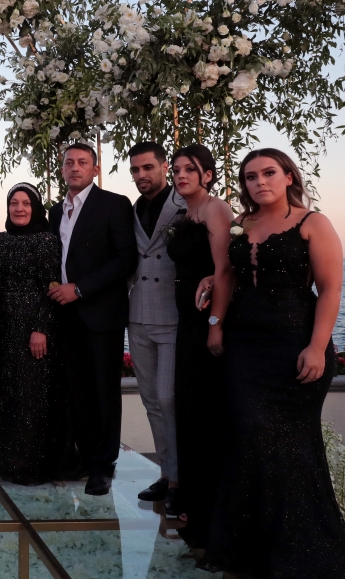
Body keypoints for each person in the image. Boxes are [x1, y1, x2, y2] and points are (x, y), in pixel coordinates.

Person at [203, 148, 345, 577]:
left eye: (268, 173)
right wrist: (215, 324)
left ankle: (304, 552)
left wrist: (319, 347)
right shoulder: (241, 225)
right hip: (246, 347)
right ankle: (251, 550)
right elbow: (226, 275)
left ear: (288, 176)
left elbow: (331, 288)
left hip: (295, 346)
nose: (259, 182)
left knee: (292, 447)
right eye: (250, 177)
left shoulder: (312, 223)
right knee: (250, 439)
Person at [48, 143, 137, 496]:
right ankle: (85, 457)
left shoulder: (114, 204)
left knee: (103, 392)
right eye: (69, 163)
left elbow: (124, 260)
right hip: (65, 317)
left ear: (95, 169)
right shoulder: (56, 212)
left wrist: (80, 289)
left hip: (101, 314)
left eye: (82, 162)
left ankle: (104, 466)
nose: (74, 168)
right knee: (77, 392)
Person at [164, 145, 233, 548]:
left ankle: (211, 518)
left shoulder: (215, 210)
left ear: (207, 174)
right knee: (188, 414)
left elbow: (224, 271)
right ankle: (193, 507)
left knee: (206, 419)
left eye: (190, 169)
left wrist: (215, 324)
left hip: (205, 325)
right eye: (177, 170)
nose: (181, 175)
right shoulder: (183, 214)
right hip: (186, 326)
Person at [0, 183, 78, 484]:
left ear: (36, 208)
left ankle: (34, 466)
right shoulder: (0, 240)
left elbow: (52, 287)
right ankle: (10, 463)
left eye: (26, 203)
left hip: (35, 330)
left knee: (34, 398)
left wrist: (40, 328)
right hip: (6, 330)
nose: (19, 209)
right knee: (11, 397)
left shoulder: (45, 240)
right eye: (13, 203)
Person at [127, 141, 185, 512]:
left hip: (174, 315)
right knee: (151, 401)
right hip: (138, 314)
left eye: (148, 167)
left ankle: (182, 478)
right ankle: (167, 473)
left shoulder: (184, 203)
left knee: (169, 398)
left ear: (165, 167)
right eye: (135, 170)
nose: (141, 175)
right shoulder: (131, 209)